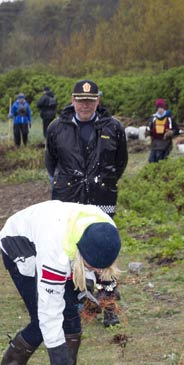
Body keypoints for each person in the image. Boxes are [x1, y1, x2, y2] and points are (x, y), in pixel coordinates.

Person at [0, 200, 121, 365]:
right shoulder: (55, 252)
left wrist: (107, 289)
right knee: (42, 323)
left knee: (71, 315)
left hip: (59, 240)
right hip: (21, 246)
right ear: (80, 254)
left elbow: (106, 270)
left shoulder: (105, 229)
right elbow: (49, 313)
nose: (94, 270)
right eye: (89, 267)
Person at [46, 80, 128, 327]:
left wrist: (102, 182)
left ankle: (108, 302)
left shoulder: (113, 128)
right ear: (73, 101)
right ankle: (79, 301)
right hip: (68, 201)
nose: (85, 105)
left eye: (90, 101)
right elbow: (51, 163)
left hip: (102, 199)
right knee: (68, 251)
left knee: (105, 252)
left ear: (98, 101)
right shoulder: (56, 128)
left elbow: (120, 162)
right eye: (80, 100)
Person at [146, 98, 178, 163]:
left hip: (166, 143)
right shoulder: (152, 119)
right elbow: (148, 129)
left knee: (161, 160)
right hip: (155, 143)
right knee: (152, 161)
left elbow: (177, 130)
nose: (160, 109)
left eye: (161, 107)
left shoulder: (169, 119)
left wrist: (171, 132)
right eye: (158, 108)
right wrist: (148, 134)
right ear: (157, 109)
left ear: (164, 108)